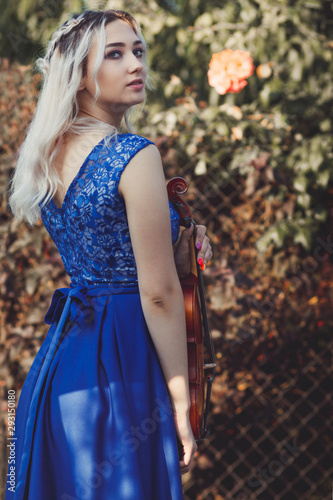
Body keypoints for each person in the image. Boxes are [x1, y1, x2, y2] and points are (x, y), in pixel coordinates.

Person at [6, 9, 212, 500]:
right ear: (79, 76)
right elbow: (158, 294)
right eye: (115, 54)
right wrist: (182, 402)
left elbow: (107, 249)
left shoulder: (48, 154)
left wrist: (177, 251)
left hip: (62, 360)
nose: (135, 64)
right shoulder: (134, 155)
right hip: (126, 355)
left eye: (137, 51)